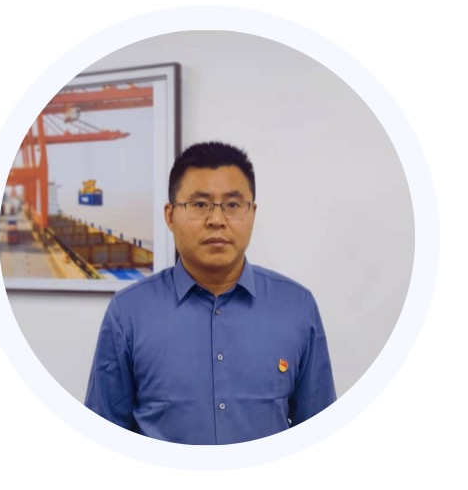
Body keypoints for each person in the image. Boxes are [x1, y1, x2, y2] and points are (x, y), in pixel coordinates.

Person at [85, 141, 336, 445]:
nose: (216, 220)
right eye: (200, 204)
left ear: (252, 213)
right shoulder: (128, 314)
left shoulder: (296, 307)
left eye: (233, 205)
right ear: (170, 216)